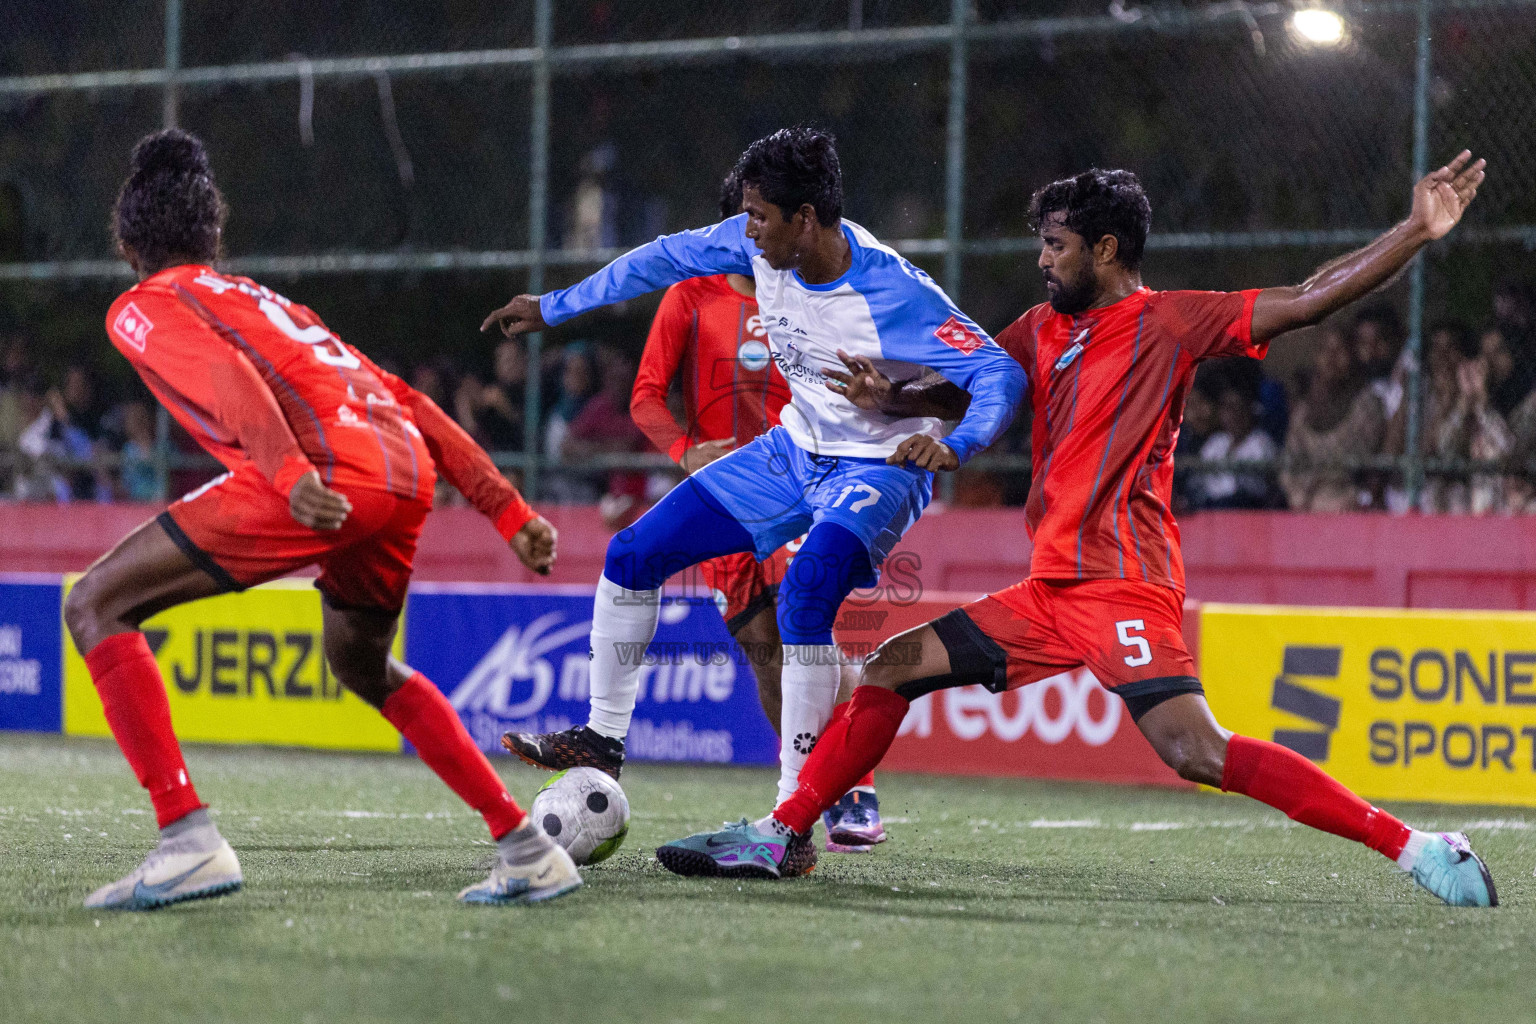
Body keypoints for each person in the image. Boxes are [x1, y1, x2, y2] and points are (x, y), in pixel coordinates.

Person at [656, 157, 1500, 909]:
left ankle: (1419, 848)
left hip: (1121, 584)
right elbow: (977, 390)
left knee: (1195, 752)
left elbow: (1313, 299)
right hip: (1046, 590)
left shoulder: (1174, 322)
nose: (1042, 259)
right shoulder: (1041, 327)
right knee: (890, 667)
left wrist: (1416, 232)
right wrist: (900, 399)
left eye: (1056, 245)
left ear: (1104, 250)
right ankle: (787, 832)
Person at [485, 127, 1025, 873]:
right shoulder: (754, 247)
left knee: (804, 598)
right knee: (634, 554)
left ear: (806, 218)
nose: (747, 229)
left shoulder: (892, 291)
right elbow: (661, 256)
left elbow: (999, 373)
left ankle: (787, 824)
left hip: (880, 466)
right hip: (791, 449)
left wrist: (955, 447)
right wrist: (554, 307)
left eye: (761, 216)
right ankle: (603, 738)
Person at [65, 128, 574, 911]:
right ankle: (527, 847)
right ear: (214, 236)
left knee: (95, 602)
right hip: (404, 472)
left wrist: (292, 471)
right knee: (361, 662)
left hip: (328, 476)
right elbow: (406, 399)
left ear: (128, 244)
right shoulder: (268, 302)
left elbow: (229, 379)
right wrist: (504, 508)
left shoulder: (143, 305)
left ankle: (186, 839)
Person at [612, 171, 885, 853]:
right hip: (729, 501)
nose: (757, 231)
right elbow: (646, 396)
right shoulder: (688, 298)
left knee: (806, 630)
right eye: (746, 219)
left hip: (801, 479)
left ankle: (854, 789)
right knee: (765, 650)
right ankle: (809, 788)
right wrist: (682, 451)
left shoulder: (810, 296)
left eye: (765, 217)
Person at [1279, 326, 1385, 512]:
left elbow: (1358, 459)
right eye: (1325, 350)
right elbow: (1290, 462)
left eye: (1339, 350)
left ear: (1352, 355)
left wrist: (1320, 482)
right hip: (1306, 500)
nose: (1331, 359)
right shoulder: (1305, 410)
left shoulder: (1367, 402)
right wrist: (1300, 493)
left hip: (1348, 497)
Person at [1191, 383, 1278, 509]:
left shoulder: (1261, 442)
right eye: (1228, 408)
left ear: (1250, 410)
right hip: (1212, 506)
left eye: (1239, 408)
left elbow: (1261, 486)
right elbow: (1201, 478)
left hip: (1249, 507)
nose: (1234, 415)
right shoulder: (1216, 442)